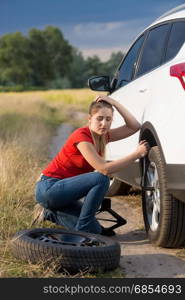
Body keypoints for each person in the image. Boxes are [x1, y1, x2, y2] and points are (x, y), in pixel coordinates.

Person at [33, 95, 148, 236]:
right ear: (89, 119)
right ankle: (83, 231)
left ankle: (49, 213)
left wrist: (114, 102)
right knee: (101, 178)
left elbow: (134, 126)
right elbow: (104, 169)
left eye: (108, 119)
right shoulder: (81, 136)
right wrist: (136, 154)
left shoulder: (103, 136)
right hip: (49, 188)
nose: (104, 124)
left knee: (96, 231)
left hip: (63, 196)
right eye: (99, 118)